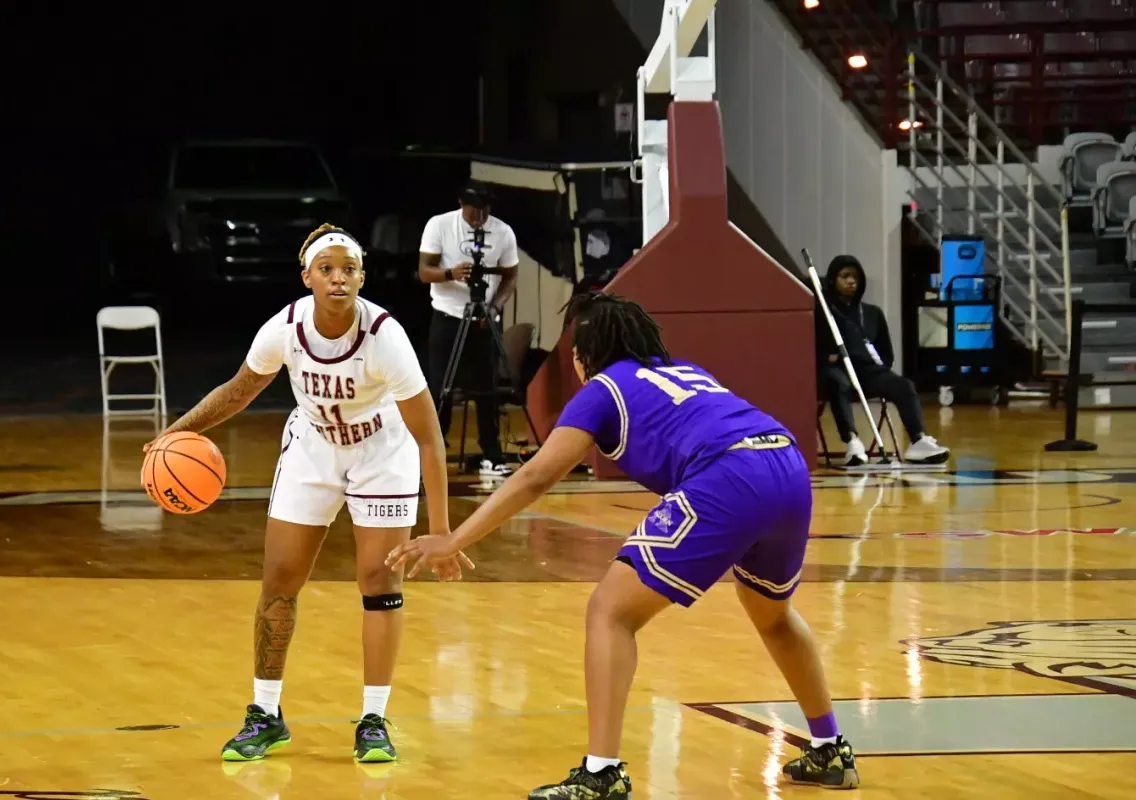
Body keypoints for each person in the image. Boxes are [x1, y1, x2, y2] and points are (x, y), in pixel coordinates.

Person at [387, 292, 861, 798]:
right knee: (773, 615)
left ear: (582, 355)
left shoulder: (602, 388)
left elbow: (536, 475)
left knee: (610, 613)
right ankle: (830, 748)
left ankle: (601, 774)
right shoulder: (688, 371)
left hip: (730, 473)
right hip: (785, 462)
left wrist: (454, 538)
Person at [147, 224, 470, 765]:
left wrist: (440, 532)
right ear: (308, 278)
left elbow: (429, 437)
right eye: (327, 269)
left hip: (382, 452)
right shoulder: (284, 329)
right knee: (279, 581)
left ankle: (373, 720)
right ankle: (265, 715)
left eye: (349, 269)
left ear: (362, 277)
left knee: (379, 582)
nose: (338, 278)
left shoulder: (385, 335)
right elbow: (237, 392)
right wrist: (176, 434)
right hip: (314, 448)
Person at [418, 181, 519, 477]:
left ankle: (493, 453)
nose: (479, 219)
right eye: (474, 213)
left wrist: (495, 306)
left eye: (484, 213)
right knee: (441, 388)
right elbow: (424, 271)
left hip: (483, 317)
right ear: (462, 204)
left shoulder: (503, 232)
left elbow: (510, 276)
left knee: (486, 388)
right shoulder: (440, 225)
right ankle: (433, 452)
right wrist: (451, 273)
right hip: (447, 315)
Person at [817, 254, 950, 466]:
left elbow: (886, 354)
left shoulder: (872, 313)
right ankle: (853, 441)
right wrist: (829, 358)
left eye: (856, 277)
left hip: (867, 371)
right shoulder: (822, 313)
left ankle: (919, 440)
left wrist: (880, 371)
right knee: (837, 382)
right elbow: (810, 350)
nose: (852, 281)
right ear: (833, 279)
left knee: (903, 384)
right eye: (845, 276)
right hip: (837, 369)